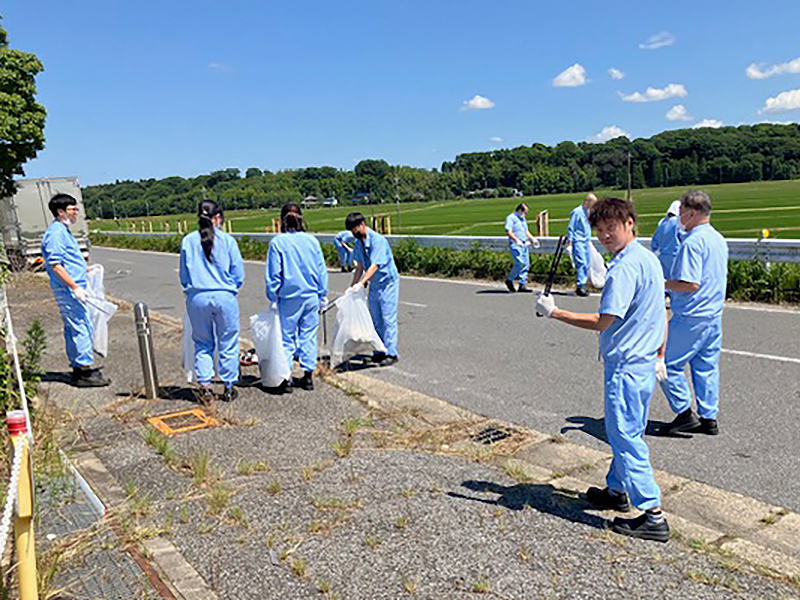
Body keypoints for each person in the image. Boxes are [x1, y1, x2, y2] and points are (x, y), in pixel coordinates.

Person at [536, 197, 669, 542]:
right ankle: (616, 489)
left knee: (625, 436)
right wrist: (660, 355)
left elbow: (603, 321)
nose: (605, 235)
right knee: (629, 431)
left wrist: (555, 313)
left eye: (612, 227)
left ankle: (652, 513)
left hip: (626, 366)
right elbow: (659, 314)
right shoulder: (648, 259)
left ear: (629, 224)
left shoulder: (624, 267)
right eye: (600, 229)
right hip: (642, 364)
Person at [658, 191, 728, 436]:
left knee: (666, 364)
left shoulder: (692, 242)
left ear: (691, 212)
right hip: (713, 315)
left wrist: (662, 283)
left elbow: (689, 283)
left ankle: (684, 412)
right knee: (706, 366)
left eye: (681, 213)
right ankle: (709, 417)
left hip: (691, 315)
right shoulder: (718, 239)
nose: (679, 218)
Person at [41, 194, 111, 387]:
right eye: (73, 209)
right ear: (60, 211)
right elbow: (55, 264)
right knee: (81, 326)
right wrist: (74, 286)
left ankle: (79, 367)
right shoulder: (56, 233)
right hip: (69, 290)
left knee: (75, 327)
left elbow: (67, 261)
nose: (76, 213)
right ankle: (85, 370)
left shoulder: (63, 231)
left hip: (73, 287)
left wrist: (85, 269)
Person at [179, 200, 245, 402]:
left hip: (197, 296)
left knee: (202, 342)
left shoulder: (188, 241)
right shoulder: (227, 241)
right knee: (228, 341)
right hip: (224, 296)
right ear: (218, 218)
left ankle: (205, 385)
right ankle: (228, 385)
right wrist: (230, 287)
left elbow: (184, 275)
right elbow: (238, 274)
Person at [266, 203, 328, 391]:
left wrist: (273, 297)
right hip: (310, 296)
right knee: (308, 335)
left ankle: (286, 379)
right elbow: (321, 271)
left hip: (288, 297)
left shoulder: (277, 243)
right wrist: (322, 294)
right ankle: (308, 375)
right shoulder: (312, 241)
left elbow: (274, 275)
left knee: (286, 338)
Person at [347, 212, 399, 366]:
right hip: (375, 284)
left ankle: (391, 352)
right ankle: (379, 350)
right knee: (375, 318)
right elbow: (360, 266)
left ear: (363, 224)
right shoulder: (359, 243)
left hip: (387, 283)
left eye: (355, 229)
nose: (354, 233)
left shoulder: (378, 241)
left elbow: (374, 265)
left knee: (387, 318)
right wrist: (352, 286)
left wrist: (362, 282)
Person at [568, 193, 598, 297]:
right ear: (587, 201)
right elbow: (571, 227)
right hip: (578, 240)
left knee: (586, 263)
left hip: (586, 241)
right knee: (581, 262)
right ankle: (580, 286)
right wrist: (570, 241)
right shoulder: (577, 212)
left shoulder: (588, 212)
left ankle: (583, 284)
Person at [504, 203, 537, 293]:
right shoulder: (510, 218)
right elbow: (509, 231)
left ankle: (522, 284)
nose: (525, 214)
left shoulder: (522, 219)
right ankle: (510, 279)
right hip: (516, 244)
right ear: (520, 210)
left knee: (526, 264)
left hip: (524, 244)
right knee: (520, 263)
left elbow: (526, 231)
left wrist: (532, 239)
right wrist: (516, 240)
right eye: (525, 212)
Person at [650, 200, 682, 279]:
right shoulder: (679, 223)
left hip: (663, 258)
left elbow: (654, 244)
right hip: (676, 257)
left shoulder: (662, 223)